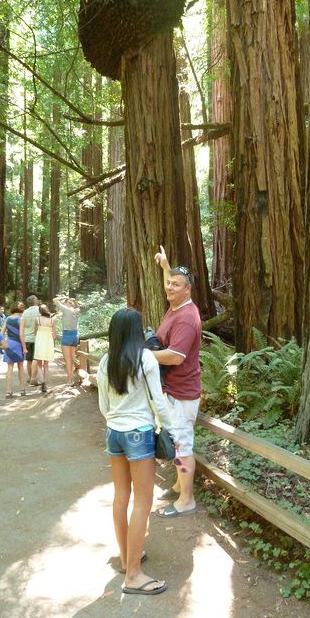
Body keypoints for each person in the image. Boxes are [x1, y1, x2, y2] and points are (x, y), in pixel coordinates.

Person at [97, 308, 177, 596]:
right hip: (138, 434)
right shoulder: (146, 358)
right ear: (137, 330)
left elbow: (103, 406)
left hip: (114, 434)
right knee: (144, 501)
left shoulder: (106, 361)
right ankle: (133, 575)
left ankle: (126, 557)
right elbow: (158, 401)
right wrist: (173, 432)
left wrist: (116, 422)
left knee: (121, 496)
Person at [152, 245, 202, 519]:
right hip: (173, 390)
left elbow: (174, 356)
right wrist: (166, 267)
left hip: (182, 395)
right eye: (168, 283)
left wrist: (143, 356)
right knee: (176, 440)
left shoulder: (185, 318)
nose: (169, 287)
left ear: (188, 290)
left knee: (182, 445)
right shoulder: (177, 303)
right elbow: (170, 281)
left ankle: (187, 499)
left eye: (176, 284)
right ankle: (177, 484)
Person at [53, 294, 80, 388]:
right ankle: (73, 377)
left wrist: (64, 297)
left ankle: (70, 380)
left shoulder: (66, 310)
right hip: (75, 335)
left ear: (69, 304)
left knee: (68, 360)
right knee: (72, 358)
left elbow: (55, 300)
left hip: (67, 335)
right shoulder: (77, 311)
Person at [1, 304, 26, 398]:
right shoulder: (21, 319)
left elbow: (1, 332)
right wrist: (24, 347)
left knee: (9, 368)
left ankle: (8, 391)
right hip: (18, 345)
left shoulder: (7, 319)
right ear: (20, 310)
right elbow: (21, 334)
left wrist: (3, 343)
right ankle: (22, 389)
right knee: (20, 367)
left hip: (9, 344)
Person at [33, 304, 56, 393]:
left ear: (40, 311)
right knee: (46, 364)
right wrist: (52, 343)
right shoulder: (52, 320)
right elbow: (54, 335)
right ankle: (45, 383)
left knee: (39, 364)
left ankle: (42, 381)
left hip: (39, 341)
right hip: (48, 341)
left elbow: (35, 331)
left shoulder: (37, 319)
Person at [20, 295, 41, 385]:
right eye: (36, 298)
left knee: (29, 360)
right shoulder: (40, 310)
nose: (38, 300)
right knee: (36, 358)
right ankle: (33, 377)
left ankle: (30, 377)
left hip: (27, 338)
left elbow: (22, 327)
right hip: (37, 337)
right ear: (34, 301)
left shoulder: (24, 312)